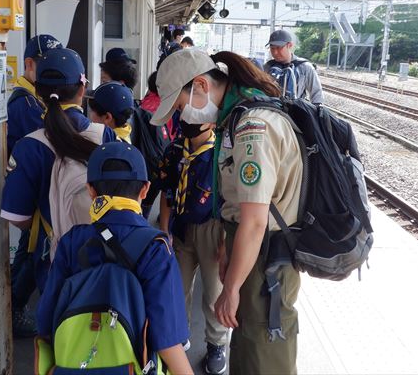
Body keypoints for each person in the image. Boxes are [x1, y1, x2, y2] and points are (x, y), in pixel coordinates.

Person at [150, 48, 304, 375]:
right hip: (252, 253)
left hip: (266, 259)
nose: (182, 117)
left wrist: (230, 289)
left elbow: (255, 220)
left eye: (179, 107)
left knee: (263, 352)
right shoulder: (235, 118)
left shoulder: (252, 127)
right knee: (248, 343)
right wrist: (225, 248)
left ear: (201, 86)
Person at [37, 142, 194, 375]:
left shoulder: (71, 243)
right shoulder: (156, 249)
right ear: (145, 190)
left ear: (91, 190)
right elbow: (167, 340)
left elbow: (46, 324)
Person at [1, 48, 116, 293]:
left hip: (51, 254)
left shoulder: (29, 145)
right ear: (82, 90)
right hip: (105, 247)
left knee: (60, 323)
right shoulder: (105, 135)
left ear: (39, 92)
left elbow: (16, 217)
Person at [158, 122, 229, 374]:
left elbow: (230, 200)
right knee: (178, 286)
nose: (187, 120)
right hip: (180, 227)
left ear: (210, 121)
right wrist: (164, 231)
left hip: (212, 227)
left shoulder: (222, 152)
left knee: (213, 291)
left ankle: (216, 343)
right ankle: (179, 333)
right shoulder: (175, 150)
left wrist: (225, 244)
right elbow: (167, 194)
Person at [7, 34, 62, 337]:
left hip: (34, 191)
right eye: (47, 65)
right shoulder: (26, 104)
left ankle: (11, 307)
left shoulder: (34, 98)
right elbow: (46, 147)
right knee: (32, 253)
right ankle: (12, 310)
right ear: (30, 65)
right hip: (30, 193)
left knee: (28, 252)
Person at [264, 29, 324, 104]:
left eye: (279, 48)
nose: (275, 52)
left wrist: (317, 110)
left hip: (295, 111)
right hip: (270, 109)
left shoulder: (305, 67)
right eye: (272, 48)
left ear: (290, 45)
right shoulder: (267, 67)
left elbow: (317, 94)